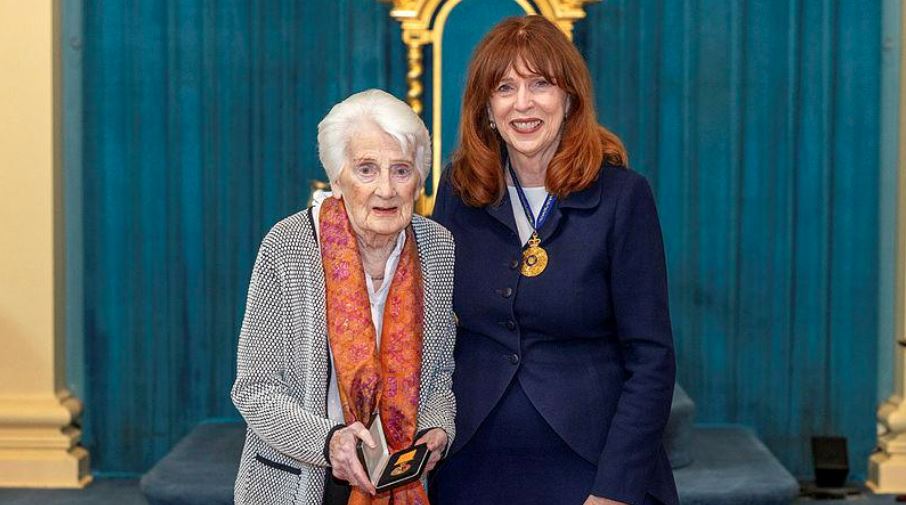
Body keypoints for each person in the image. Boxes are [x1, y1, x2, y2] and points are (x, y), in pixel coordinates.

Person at [430, 16, 677, 505]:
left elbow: (652, 358)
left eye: (540, 84)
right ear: (486, 108)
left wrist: (615, 490)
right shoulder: (458, 190)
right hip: (470, 460)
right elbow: (434, 328)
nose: (522, 103)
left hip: (590, 464)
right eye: (504, 87)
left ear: (569, 98)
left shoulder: (623, 197)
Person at [232, 89, 456, 505]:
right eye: (367, 170)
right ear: (337, 179)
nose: (386, 189)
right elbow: (255, 388)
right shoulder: (288, 246)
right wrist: (328, 442)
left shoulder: (438, 248)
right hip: (302, 481)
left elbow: (440, 372)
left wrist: (439, 427)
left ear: (420, 180)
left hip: (400, 481)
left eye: (402, 170)